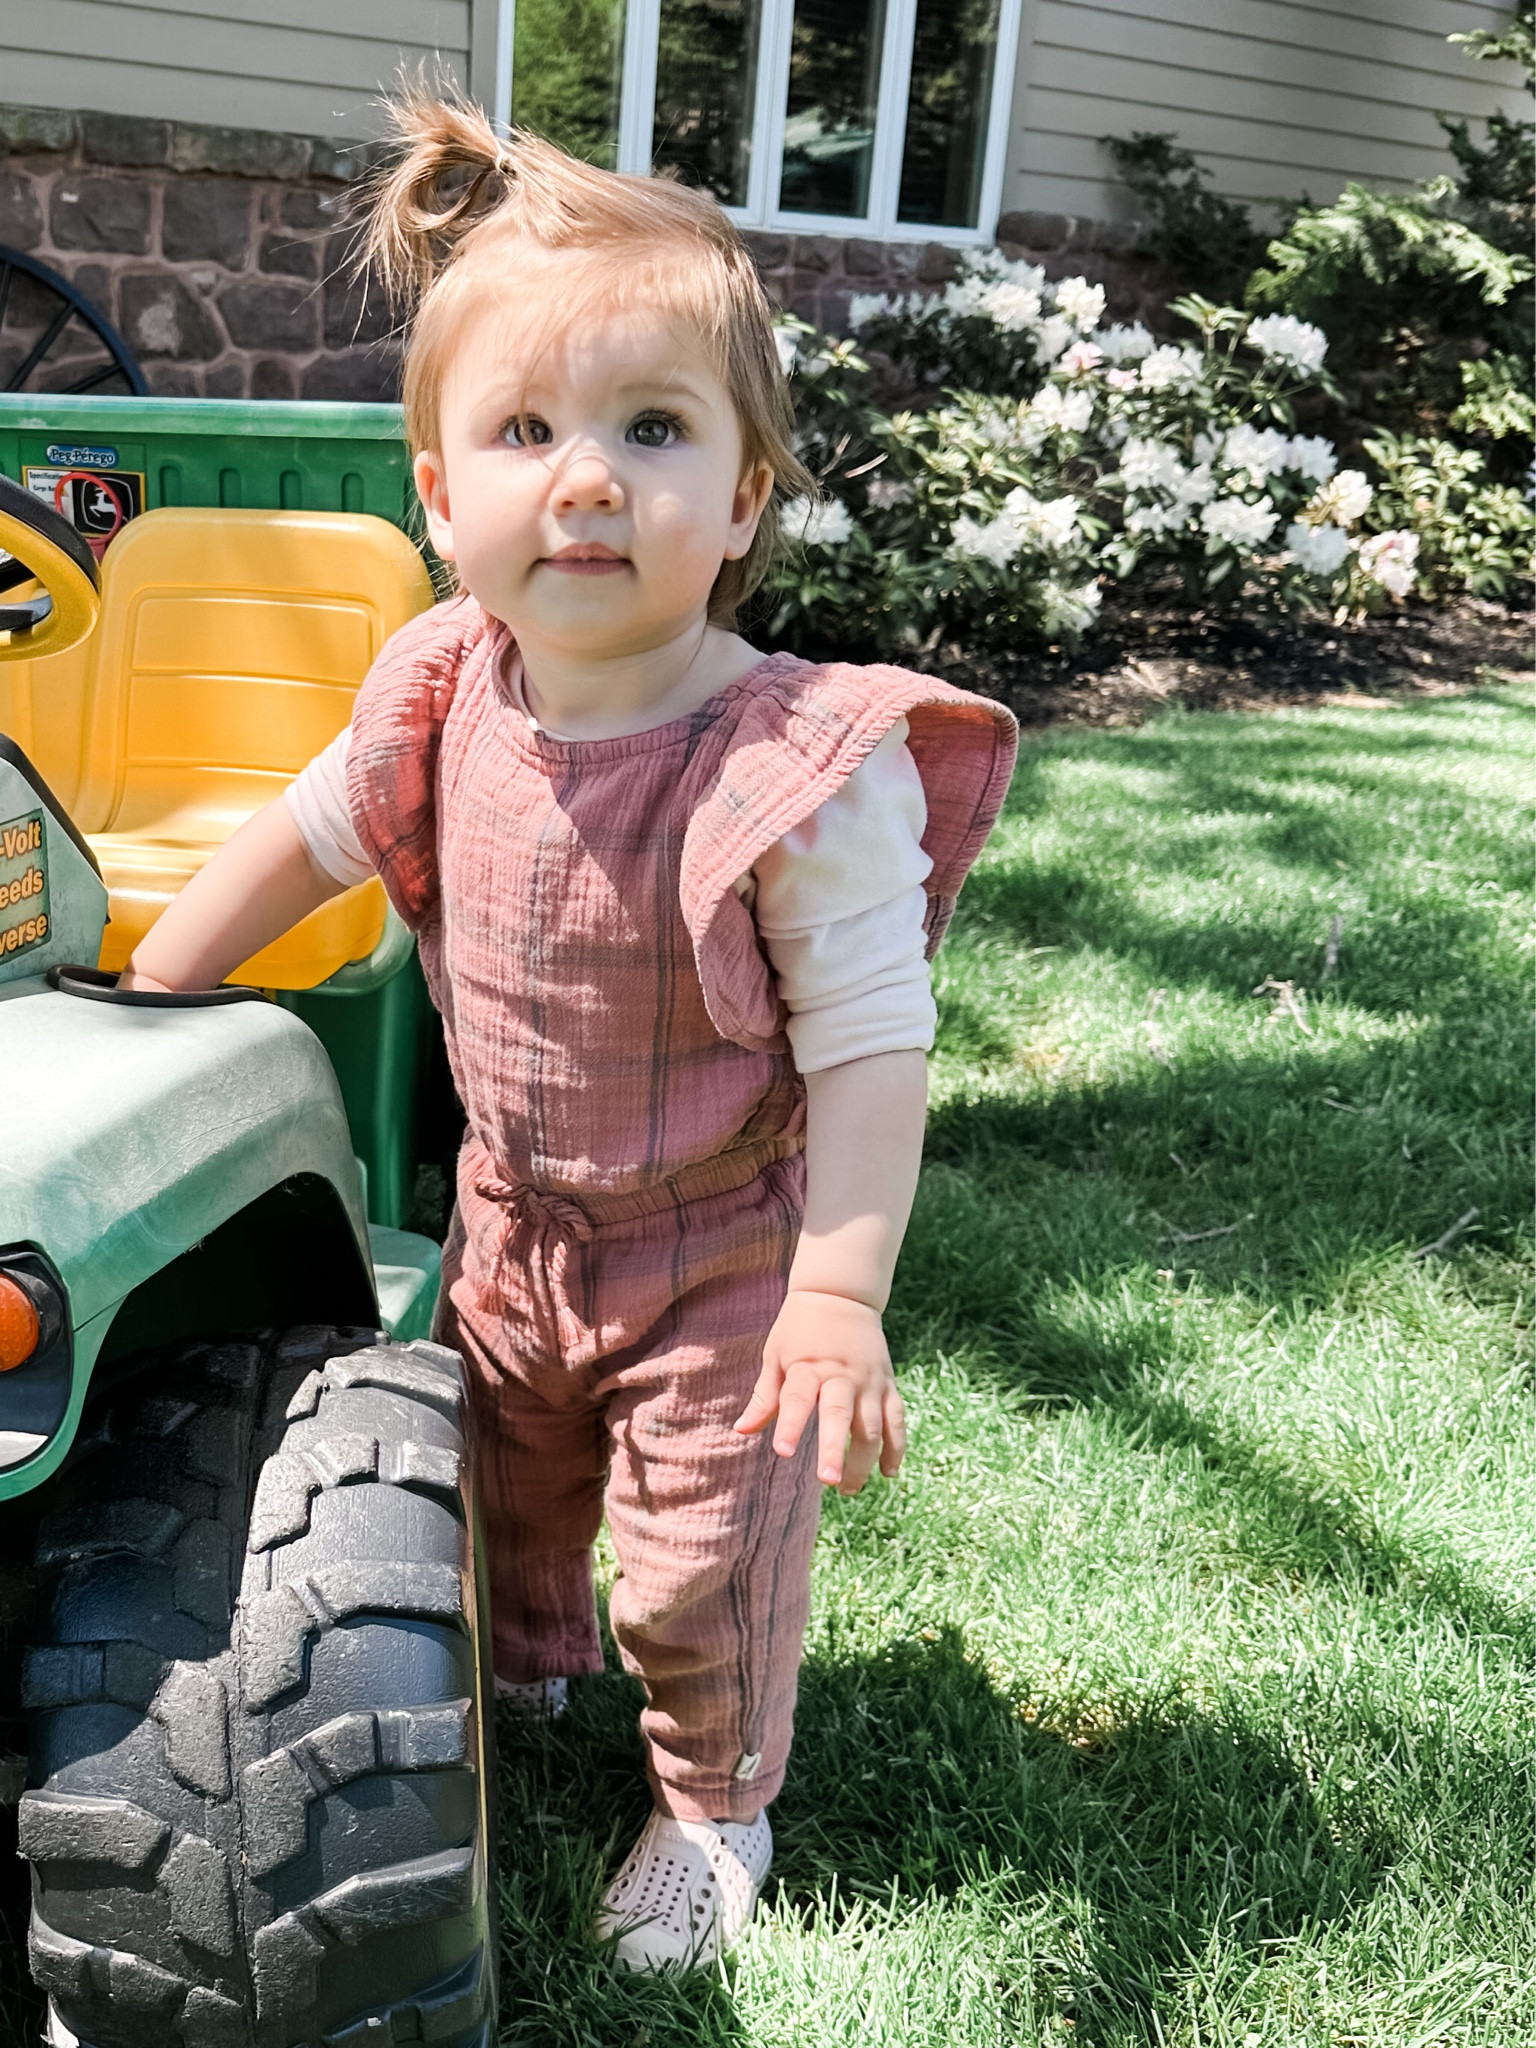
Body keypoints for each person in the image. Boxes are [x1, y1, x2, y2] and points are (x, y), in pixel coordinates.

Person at [121, 91, 1018, 1971]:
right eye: (526, 433)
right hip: (517, 1216)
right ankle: (520, 1685)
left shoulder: (784, 765)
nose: (587, 480)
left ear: (747, 497)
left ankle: (717, 1801)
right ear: (441, 497)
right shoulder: (443, 683)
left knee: (695, 1563)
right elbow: (305, 836)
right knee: (499, 1500)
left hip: (726, 1251)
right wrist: (155, 985)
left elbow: (871, 1044)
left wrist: (838, 1299)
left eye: (653, 430)